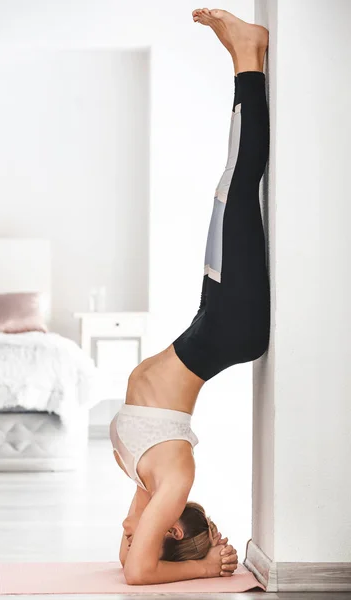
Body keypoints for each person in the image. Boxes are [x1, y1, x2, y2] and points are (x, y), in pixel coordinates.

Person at [109, 7, 270, 586]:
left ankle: (245, 57)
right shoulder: (174, 480)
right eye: (148, 530)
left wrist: (176, 546)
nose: (128, 532)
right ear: (170, 527)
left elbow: (130, 553)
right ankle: (247, 56)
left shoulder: (151, 487)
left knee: (231, 189)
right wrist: (205, 566)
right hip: (228, 326)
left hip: (214, 325)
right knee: (235, 185)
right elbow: (136, 573)